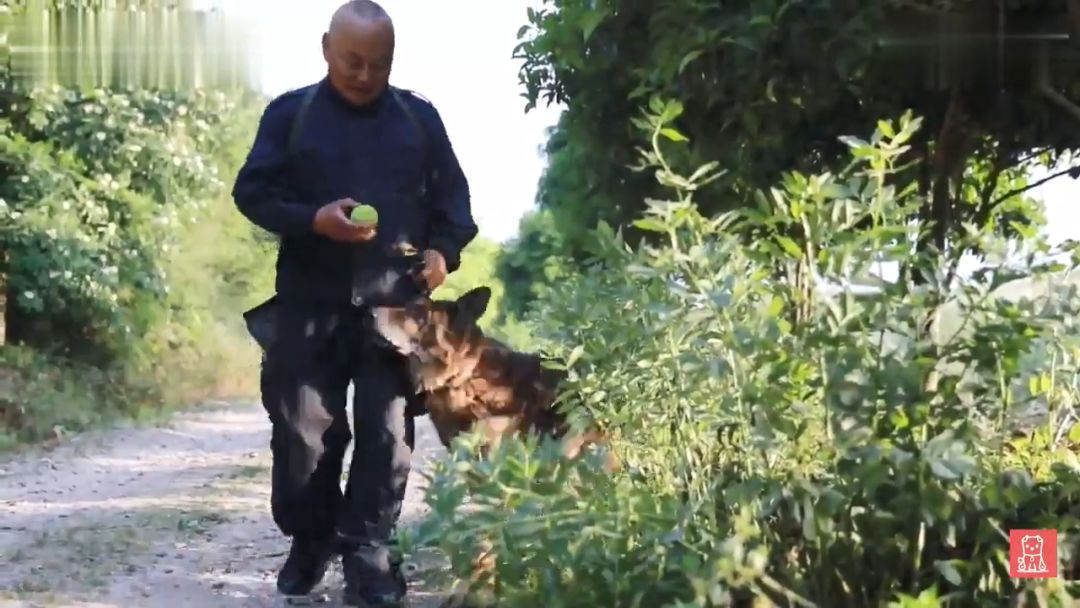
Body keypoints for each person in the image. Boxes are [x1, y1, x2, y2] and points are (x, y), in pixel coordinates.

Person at [230, 1, 477, 605]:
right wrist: (313, 219)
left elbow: (456, 210)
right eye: (353, 62)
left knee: (387, 432)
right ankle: (312, 538)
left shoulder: (420, 121)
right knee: (302, 436)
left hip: (394, 310)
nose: (366, 75)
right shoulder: (290, 114)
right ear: (325, 49)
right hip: (308, 304)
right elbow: (252, 194)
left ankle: (369, 555)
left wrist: (444, 255)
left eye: (379, 64)